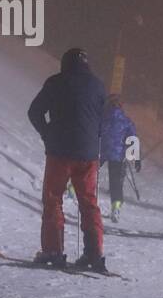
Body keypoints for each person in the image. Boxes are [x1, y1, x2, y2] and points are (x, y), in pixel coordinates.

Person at [27, 47, 107, 271]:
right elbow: (103, 120)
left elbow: (34, 112)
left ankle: (53, 251)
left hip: (59, 152)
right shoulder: (98, 86)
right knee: (89, 202)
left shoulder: (56, 83)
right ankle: (94, 253)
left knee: (53, 199)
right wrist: (93, 139)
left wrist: (47, 134)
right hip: (89, 155)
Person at [99, 94, 138, 224]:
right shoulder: (126, 121)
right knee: (116, 182)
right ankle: (116, 206)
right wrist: (135, 157)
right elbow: (132, 138)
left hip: (101, 150)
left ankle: (72, 188)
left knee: (88, 171)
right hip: (118, 154)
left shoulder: (102, 117)